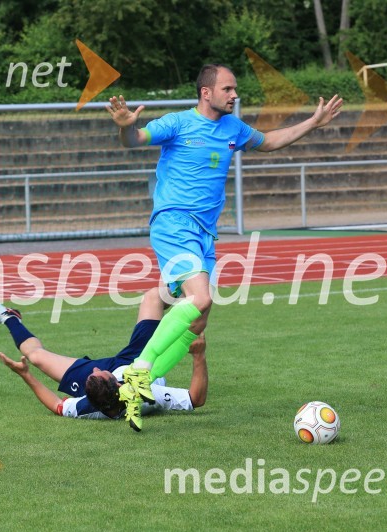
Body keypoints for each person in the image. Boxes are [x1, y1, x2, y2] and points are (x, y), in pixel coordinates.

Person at [105, 63, 342, 428]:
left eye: (234, 90)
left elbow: (270, 142)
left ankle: (136, 390)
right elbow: (135, 140)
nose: (234, 95)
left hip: (204, 234)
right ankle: (137, 371)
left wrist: (313, 122)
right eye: (228, 89)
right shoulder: (178, 123)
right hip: (173, 222)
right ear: (206, 92)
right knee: (201, 298)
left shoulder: (233, 127)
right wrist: (125, 128)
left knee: (196, 322)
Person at [0, 288, 206, 429]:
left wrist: (26, 375)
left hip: (113, 377)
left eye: (93, 373)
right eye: (98, 373)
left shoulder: (89, 405)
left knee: (35, 357)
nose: (96, 368)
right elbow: (195, 399)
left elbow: (57, 405)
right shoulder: (148, 396)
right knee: (153, 298)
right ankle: (185, 286)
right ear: (117, 383)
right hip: (139, 362)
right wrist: (198, 356)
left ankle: (8, 317)